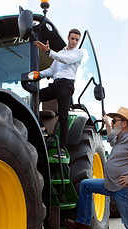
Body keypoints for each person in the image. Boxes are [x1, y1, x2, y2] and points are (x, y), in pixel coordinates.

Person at [65, 107, 128, 229]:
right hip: (112, 185)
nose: (112, 123)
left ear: (124, 124)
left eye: (115, 121)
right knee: (86, 185)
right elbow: (111, 138)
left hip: (125, 189)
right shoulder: (120, 139)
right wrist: (107, 122)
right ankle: (83, 224)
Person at [35, 29, 83, 158]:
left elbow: (65, 60)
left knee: (63, 116)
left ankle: (62, 149)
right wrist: (39, 74)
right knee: (35, 96)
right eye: (72, 38)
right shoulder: (61, 52)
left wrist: (48, 52)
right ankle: (41, 128)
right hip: (55, 84)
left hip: (66, 86)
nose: (74, 41)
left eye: (77, 39)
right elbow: (51, 70)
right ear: (68, 38)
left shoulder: (78, 53)